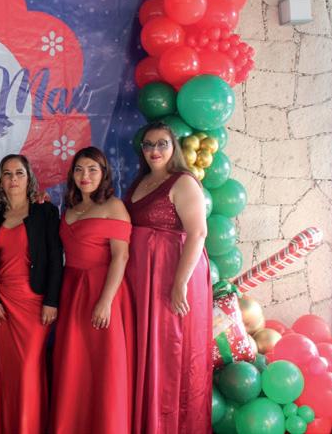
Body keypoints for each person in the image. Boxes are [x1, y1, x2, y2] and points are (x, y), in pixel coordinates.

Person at [124, 122, 212, 433]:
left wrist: (179, 283)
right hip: (144, 279)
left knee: (171, 352)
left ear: (173, 147)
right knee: (149, 351)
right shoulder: (140, 181)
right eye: (148, 144)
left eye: (162, 143)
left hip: (172, 275)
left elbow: (198, 233)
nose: (155, 150)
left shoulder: (183, 181)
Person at [50, 146, 134, 434]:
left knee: (103, 365)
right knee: (74, 364)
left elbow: (121, 257)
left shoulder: (114, 206)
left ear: (104, 174)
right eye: (79, 169)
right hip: (72, 290)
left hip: (102, 289)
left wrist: (105, 301)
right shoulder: (70, 208)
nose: (84, 175)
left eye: (92, 169)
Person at [0, 154, 63, 434]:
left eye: (19, 173)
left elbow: (55, 260)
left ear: (29, 178)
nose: (13, 178)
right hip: (2, 305)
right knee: (7, 373)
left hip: (35, 304)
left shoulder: (45, 212)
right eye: (7, 173)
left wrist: (51, 300)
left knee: (28, 369)